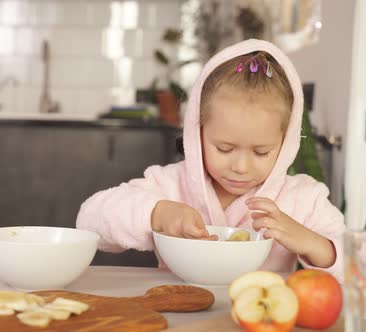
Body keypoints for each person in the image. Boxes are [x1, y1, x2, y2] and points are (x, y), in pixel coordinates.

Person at [76, 39, 344, 280]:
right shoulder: (170, 184)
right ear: (197, 131)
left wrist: (313, 243)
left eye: (261, 152)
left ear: (286, 143)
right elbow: (89, 220)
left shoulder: (302, 197)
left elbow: (357, 261)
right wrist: (156, 213)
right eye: (224, 148)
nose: (240, 167)